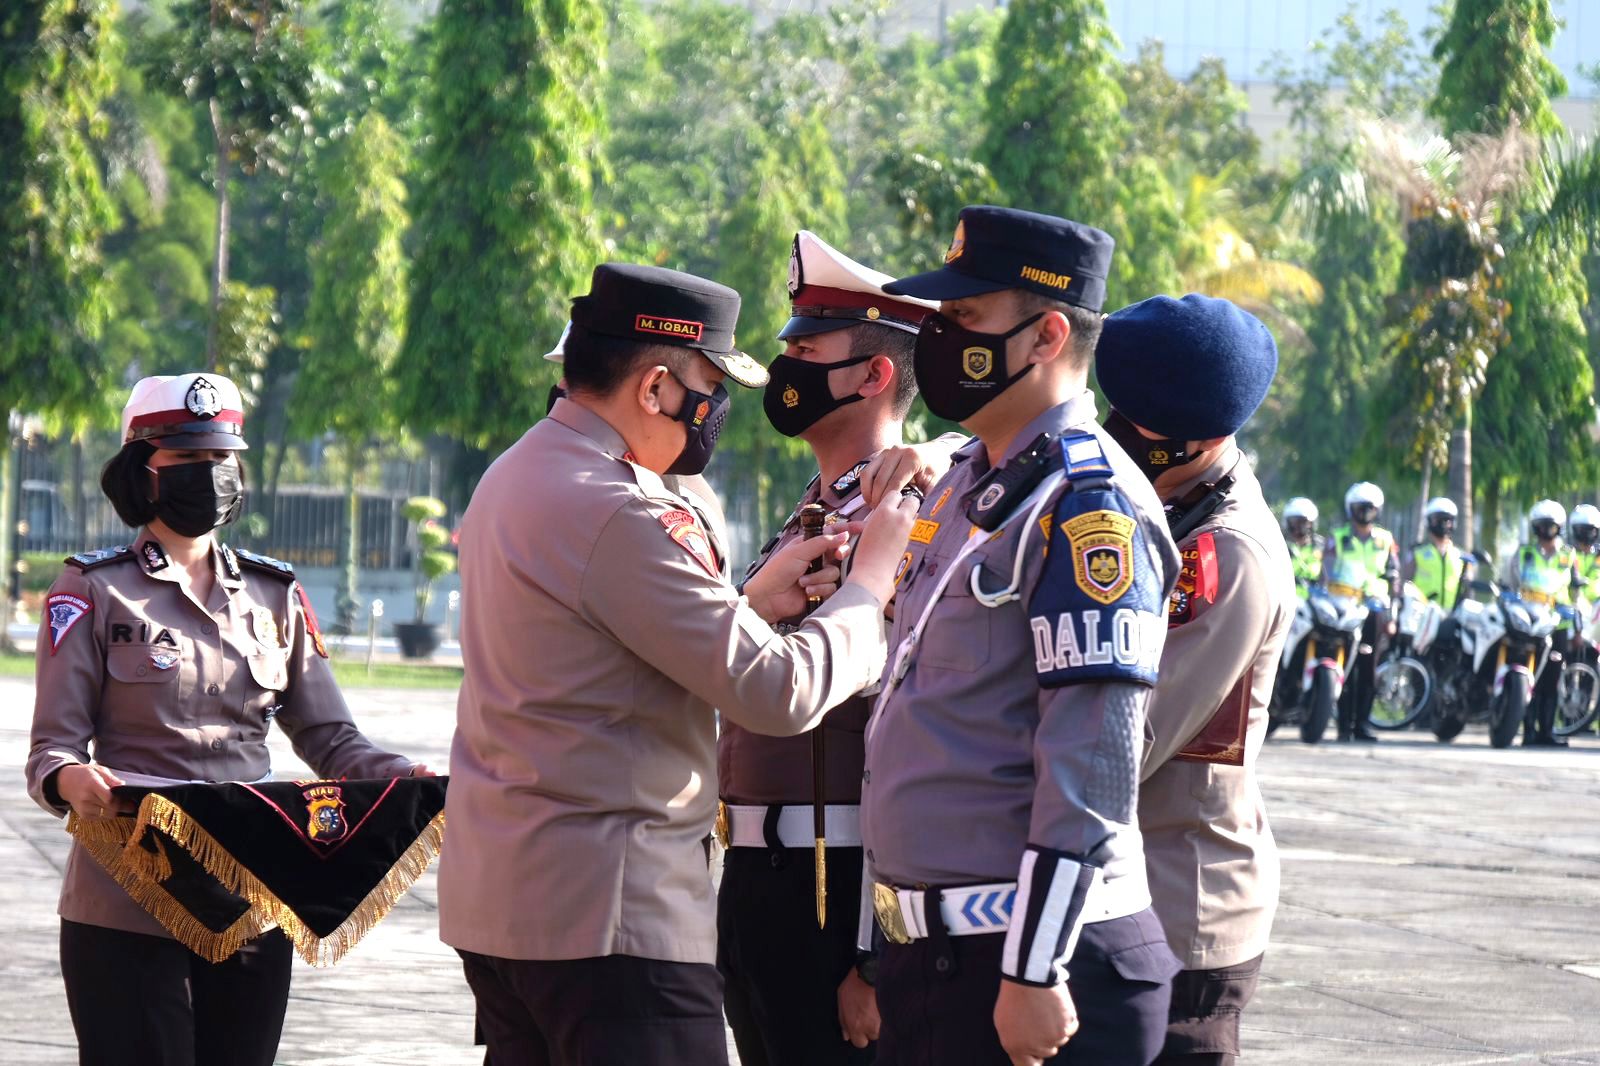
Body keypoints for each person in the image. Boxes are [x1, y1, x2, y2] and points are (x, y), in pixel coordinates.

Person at [437, 263, 919, 1066]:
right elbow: (778, 692)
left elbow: (603, 653)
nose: (717, 409)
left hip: (506, 910)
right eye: (708, 384)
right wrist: (870, 583)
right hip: (612, 920)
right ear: (656, 387)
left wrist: (747, 607)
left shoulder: (519, 473)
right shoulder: (622, 505)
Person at [25, 373, 430, 1066]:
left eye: (222, 458)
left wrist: (400, 777)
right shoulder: (93, 590)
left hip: (251, 890)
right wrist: (69, 780)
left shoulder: (275, 595)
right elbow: (52, 748)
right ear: (143, 473)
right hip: (128, 890)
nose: (211, 475)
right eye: (188, 460)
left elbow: (330, 737)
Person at [861, 205, 1183, 1066]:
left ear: (1045, 337)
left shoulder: (1089, 504)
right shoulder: (969, 479)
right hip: (936, 958)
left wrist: (1036, 969)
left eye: (963, 319)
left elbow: (1090, 763)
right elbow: (912, 713)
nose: (936, 337)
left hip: (1034, 965)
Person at [719, 231, 958, 1066]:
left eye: (805, 350)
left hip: (839, 879)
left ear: (873, 374)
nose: (784, 371)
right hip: (758, 877)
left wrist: (872, 948)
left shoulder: (917, 511)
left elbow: (905, 737)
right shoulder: (815, 509)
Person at [1093, 294, 1292, 1066]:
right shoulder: (1165, 504)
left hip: (1183, 912)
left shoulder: (1228, 553)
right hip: (1132, 893)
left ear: (1196, 440)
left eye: (1134, 420)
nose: (1114, 428)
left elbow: (1124, 738)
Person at [1322, 482, 1398, 742]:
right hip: (1343, 606)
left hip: (1374, 609)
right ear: (1350, 509)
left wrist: (1392, 614)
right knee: (1346, 665)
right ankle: (1343, 725)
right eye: (1359, 507)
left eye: (1370, 508)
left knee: (1368, 667)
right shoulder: (1338, 537)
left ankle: (1362, 724)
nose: (1364, 513)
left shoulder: (1385, 540)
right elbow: (1327, 569)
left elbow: (1393, 576)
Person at [1503, 500, 1578, 747]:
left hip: (1558, 625)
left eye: (1551, 526)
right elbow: (1510, 582)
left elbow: (1576, 589)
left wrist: (1576, 616)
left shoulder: (1568, 556)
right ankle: (1527, 731)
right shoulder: (1524, 553)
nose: (1547, 531)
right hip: (1528, 622)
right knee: (1527, 674)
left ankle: (1546, 731)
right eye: (1542, 526)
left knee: (1552, 679)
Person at [1402, 498, 1466, 608]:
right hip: (1421, 615)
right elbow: (1405, 582)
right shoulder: (1417, 552)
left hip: (1451, 618)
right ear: (1429, 521)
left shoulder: (1461, 556)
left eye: (1448, 520)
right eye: (1439, 519)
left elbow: (1467, 590)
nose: (1445, 524)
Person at [1281, 498, 1323, 598]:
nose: (1298, 527)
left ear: (1311, 523)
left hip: (1318, 603)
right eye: (1294, 522)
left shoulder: (1322, 547)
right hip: (1289, 602)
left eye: (1303, 522)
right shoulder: (1281, 548)